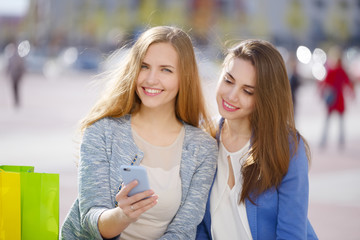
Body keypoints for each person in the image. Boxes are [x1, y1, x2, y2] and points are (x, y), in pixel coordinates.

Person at [60, 26, 218, 239]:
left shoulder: (203, 149)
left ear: (184, 77)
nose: (151, 79)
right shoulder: (102, 132)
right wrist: (122, 215)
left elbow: (183, 231)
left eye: (166, 70)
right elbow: (89, 219)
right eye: (144, 66)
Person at [196, 39, 318, 239]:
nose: (232, 95)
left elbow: (291, 234)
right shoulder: (203, 138)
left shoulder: (287, 147)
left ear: (265, 98)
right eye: (228, 80)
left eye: (248, 91)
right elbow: (199, 226)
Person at [319, 46, 355, 149]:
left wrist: (321, 93)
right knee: (339, 122)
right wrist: (352, 94)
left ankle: (324, 140)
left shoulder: (333, 70)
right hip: (338, 100)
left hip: (333, 100)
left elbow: (324, 84)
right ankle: (340, 141)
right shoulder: (340, 71)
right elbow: (349, 84)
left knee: (329, 121)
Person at [6, 41, 26, 108]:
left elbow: (22, 67)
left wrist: (21, 75)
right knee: (14, 89)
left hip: (17, 76)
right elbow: (9, 66)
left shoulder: (19, 58)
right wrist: (7, 73)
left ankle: (17, 101)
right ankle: (15, 101)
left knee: (17, 89)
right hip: (13, 75)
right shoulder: (11, 57)